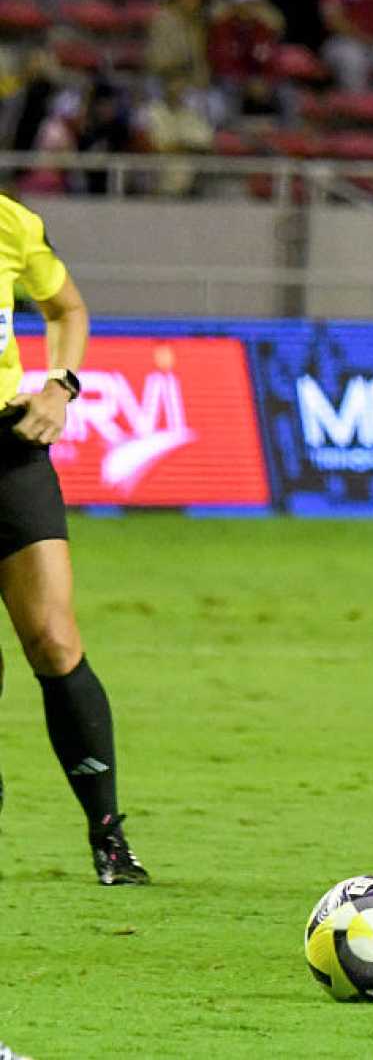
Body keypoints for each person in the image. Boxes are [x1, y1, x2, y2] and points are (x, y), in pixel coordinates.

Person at [0, 191, 148, 885]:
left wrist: (59, 386)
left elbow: (67, 309)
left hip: (7, 448)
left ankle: (109, 837)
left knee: (55, 640)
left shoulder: (11, 222)